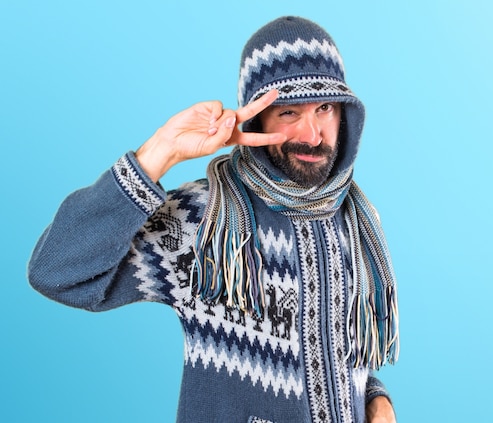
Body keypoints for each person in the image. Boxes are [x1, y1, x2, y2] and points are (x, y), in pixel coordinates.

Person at [28, 16, 399, 423]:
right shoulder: (206, 218)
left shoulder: (358, 221)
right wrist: (160, 152)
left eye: (325, 107)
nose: (312, 134)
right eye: (289, 112)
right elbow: (55, 271)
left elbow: (336, 344)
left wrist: (375, 399)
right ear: (257, 119)